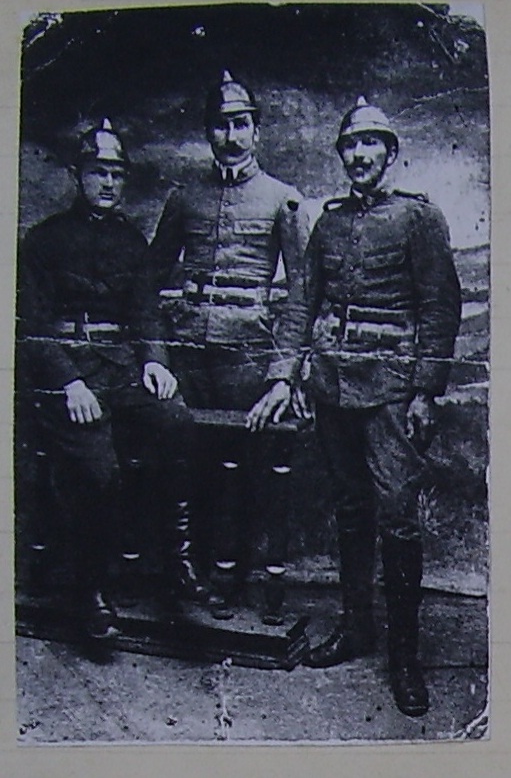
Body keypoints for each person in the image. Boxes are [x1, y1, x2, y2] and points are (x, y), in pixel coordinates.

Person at [17, 119, 210, 640]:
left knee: (176, 422)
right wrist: (68, 383)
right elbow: (32, 327)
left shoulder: (131, 241)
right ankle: (91, 589)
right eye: (98, 172)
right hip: (63, 375)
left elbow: (145, 310)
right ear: (77, 175)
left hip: (120, 367)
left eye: (116, 173)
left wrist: (155, 361)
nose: (108, 182)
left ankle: (176, 558)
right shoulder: (43, 241)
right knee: (100, 470)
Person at [301, 97, 461, 717]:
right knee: (349, 506)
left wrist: (425, 391)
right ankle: (356, 626)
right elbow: (304, 300)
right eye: (350, 145)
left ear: (391, 153)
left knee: (396, 517)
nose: (360, 154)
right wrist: (291, 371)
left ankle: (404, 655)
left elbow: (440, 308)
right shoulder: (329, 222)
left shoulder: (419, 219)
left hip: (392, 391)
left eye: (371, 144)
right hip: (333, 386)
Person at [140, 71, 307, 622]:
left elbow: (303, 295)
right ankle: (187, 574)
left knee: (238, 464)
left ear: (257, 131)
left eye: (240, 125)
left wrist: (282, 374)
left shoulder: (282, 200)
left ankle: (230, 575)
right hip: (188, 353)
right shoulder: (184, 199)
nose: (231, 137)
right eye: (220, 126)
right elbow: (146, 284)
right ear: (207, 133)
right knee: (189, 461)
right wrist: (157, 357)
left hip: (248, 354)